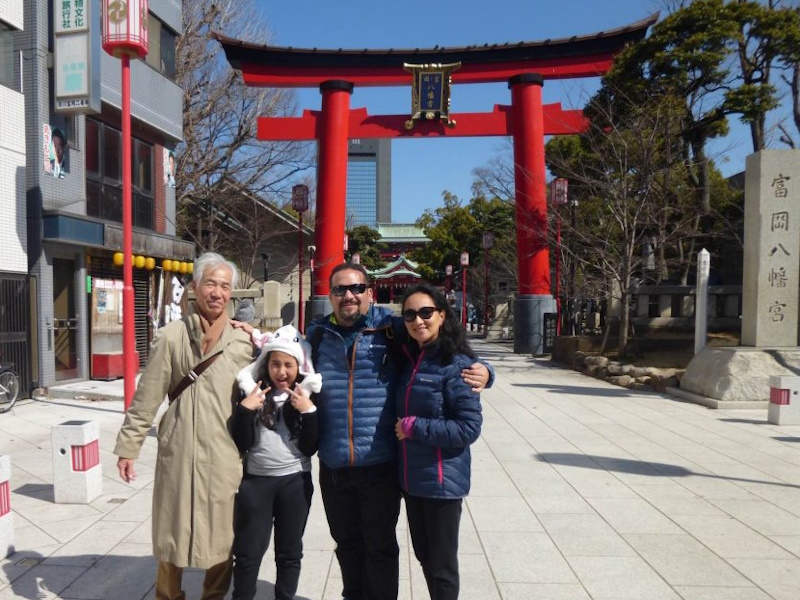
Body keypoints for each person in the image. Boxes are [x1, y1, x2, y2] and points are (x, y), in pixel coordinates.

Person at [303, 262, 492, 600]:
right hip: (333, 463)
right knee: (346, 545)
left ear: (370, 293)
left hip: (380, 462)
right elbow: (281, 361)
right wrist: (247, 337)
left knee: (380, 547)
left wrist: (486, 371)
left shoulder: (391, 330)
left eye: (357, 288)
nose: (349, 295)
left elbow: (442, 348)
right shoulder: (316, 334)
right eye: (340, 289)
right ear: (329, 296)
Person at [114, 252, 253, 600]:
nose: (217, 293)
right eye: (210, 284)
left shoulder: (243, 342)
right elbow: (147, 397)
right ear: (194, 287)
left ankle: (213, 596)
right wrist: (129, 446)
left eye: (225, 286)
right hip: (178, 449)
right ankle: (168, 595)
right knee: (170, 532)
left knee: (222, 535)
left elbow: (282, 367)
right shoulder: (171, 336)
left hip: (223, 451)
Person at [394, 284, 482, 600]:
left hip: (442, 482)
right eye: (410, 315)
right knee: (425, 557)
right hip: (412, 481)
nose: (418, 320)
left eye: (426, 312)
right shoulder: (410, 358)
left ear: (442, 315)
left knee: (442, 566)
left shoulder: (457, 364)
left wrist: (414, 427)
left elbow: (468, 428)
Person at [230, 325, 322, 600]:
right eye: (275, 364)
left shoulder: (306, 396)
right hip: (256, 481)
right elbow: (243, 443)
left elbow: (310, 447)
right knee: (247, 553)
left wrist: (310, 412)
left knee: (289, 552)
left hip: (295, 482)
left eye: (288, 365)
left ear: (299, 367)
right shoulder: (253, 393)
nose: (281, 372)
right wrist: (245, 411)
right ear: (265, 365)